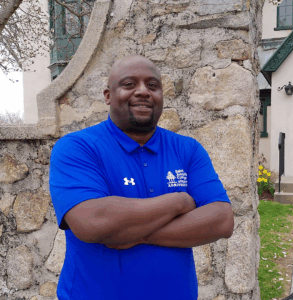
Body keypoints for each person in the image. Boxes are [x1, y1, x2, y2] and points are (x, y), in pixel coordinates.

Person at [49, 54, 234, 300]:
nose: (143, 92)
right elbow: (90, 221)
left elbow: (221, 220)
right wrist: (178, 201)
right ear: (108, 95)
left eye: (153, 85)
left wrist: (131, 233)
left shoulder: (187, 149)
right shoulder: (77, 147)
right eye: (129, 84)